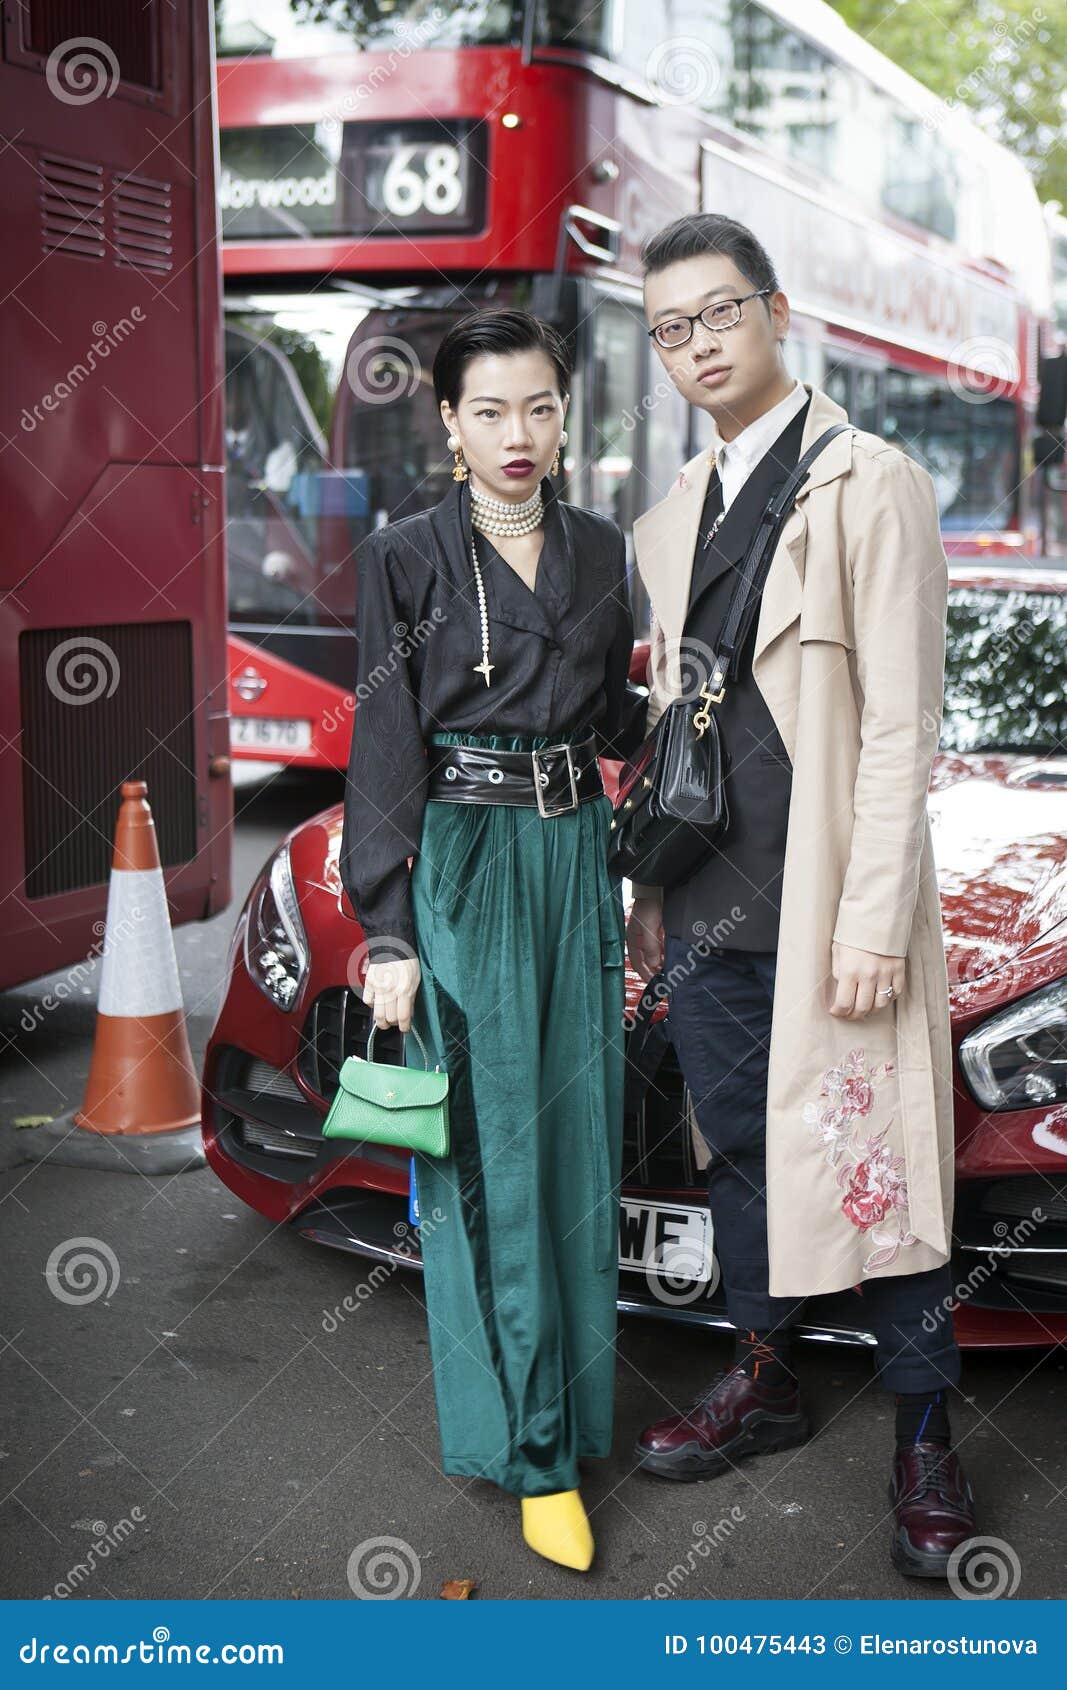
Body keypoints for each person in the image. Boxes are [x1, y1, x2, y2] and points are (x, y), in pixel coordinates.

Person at [625, 214, 979, 1581]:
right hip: (710, 905)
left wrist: (869, 918)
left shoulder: (863, 479)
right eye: (669, 328)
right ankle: (763, 1376)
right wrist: (649, 893)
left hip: (830, 901)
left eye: (716, 315)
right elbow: (679, 730)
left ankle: (923, 1433)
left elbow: (899, 722)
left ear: (771, 312)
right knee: (745, 1163)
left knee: (875, 1171)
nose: (695, 346)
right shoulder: (673, 516)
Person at [338, 308, 643, 1573]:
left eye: (539, 407)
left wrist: (684, 692)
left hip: (576, 858)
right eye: (491, 412)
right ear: (451, 427)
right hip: (464, 861)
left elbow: (614, 714)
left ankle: (574, 1417)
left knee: (578, 1141)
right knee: (493, 1153)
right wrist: (388, 927)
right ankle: (527, 1454)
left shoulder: (600, 547)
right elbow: (383, 743)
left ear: (564, 417)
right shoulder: (404, 558)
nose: (519, 434)